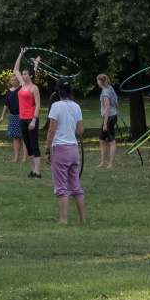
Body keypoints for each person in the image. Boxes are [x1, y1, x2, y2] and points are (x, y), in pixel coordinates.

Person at [44, 80, 86, 224]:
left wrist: (47, 150)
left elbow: (51, 130)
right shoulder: (76, 106)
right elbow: (80, 131)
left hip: (61, 149)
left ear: (58, 92)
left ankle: (64, 220)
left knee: (61, 186)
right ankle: (82, 219)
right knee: (75, 185)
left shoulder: (56, 106)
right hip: (74, 149)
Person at [11, 50, 42, 178]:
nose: (22, 76)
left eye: (25, 74)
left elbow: (38, 105)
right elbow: (15, 69)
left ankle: (38, 172)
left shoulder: (34, 88)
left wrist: (34, 120)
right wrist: (21, 54)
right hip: (22, 118)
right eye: (22, 74)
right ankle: (32, 170)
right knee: (28, 145)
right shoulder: (23, 85)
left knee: (34, 144)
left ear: (30, 76)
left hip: (31, 118)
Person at [95, 73, 119, 169]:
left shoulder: (106, 92)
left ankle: (111, 164)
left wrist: (105, 124)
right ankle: (103, 162)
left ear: (101, 81)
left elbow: (107, 108)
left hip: (109, 117)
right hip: (111, 116)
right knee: (101, 140)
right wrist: (117, 110)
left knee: (111, 141)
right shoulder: (110, 88)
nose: (97, 82)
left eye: (98, 81)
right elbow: (116, 100)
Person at [0, 73, 24, 163]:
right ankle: (16, 157)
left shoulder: (22, 89)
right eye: (12, 80)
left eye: (15, 80)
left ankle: (25, 158)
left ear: (18, 81)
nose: (13, 82)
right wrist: (2, 116)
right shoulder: (9, 91)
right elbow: (6, 104)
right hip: (13, 116)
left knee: (23, 137)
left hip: (22, 115)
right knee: (15, 137)